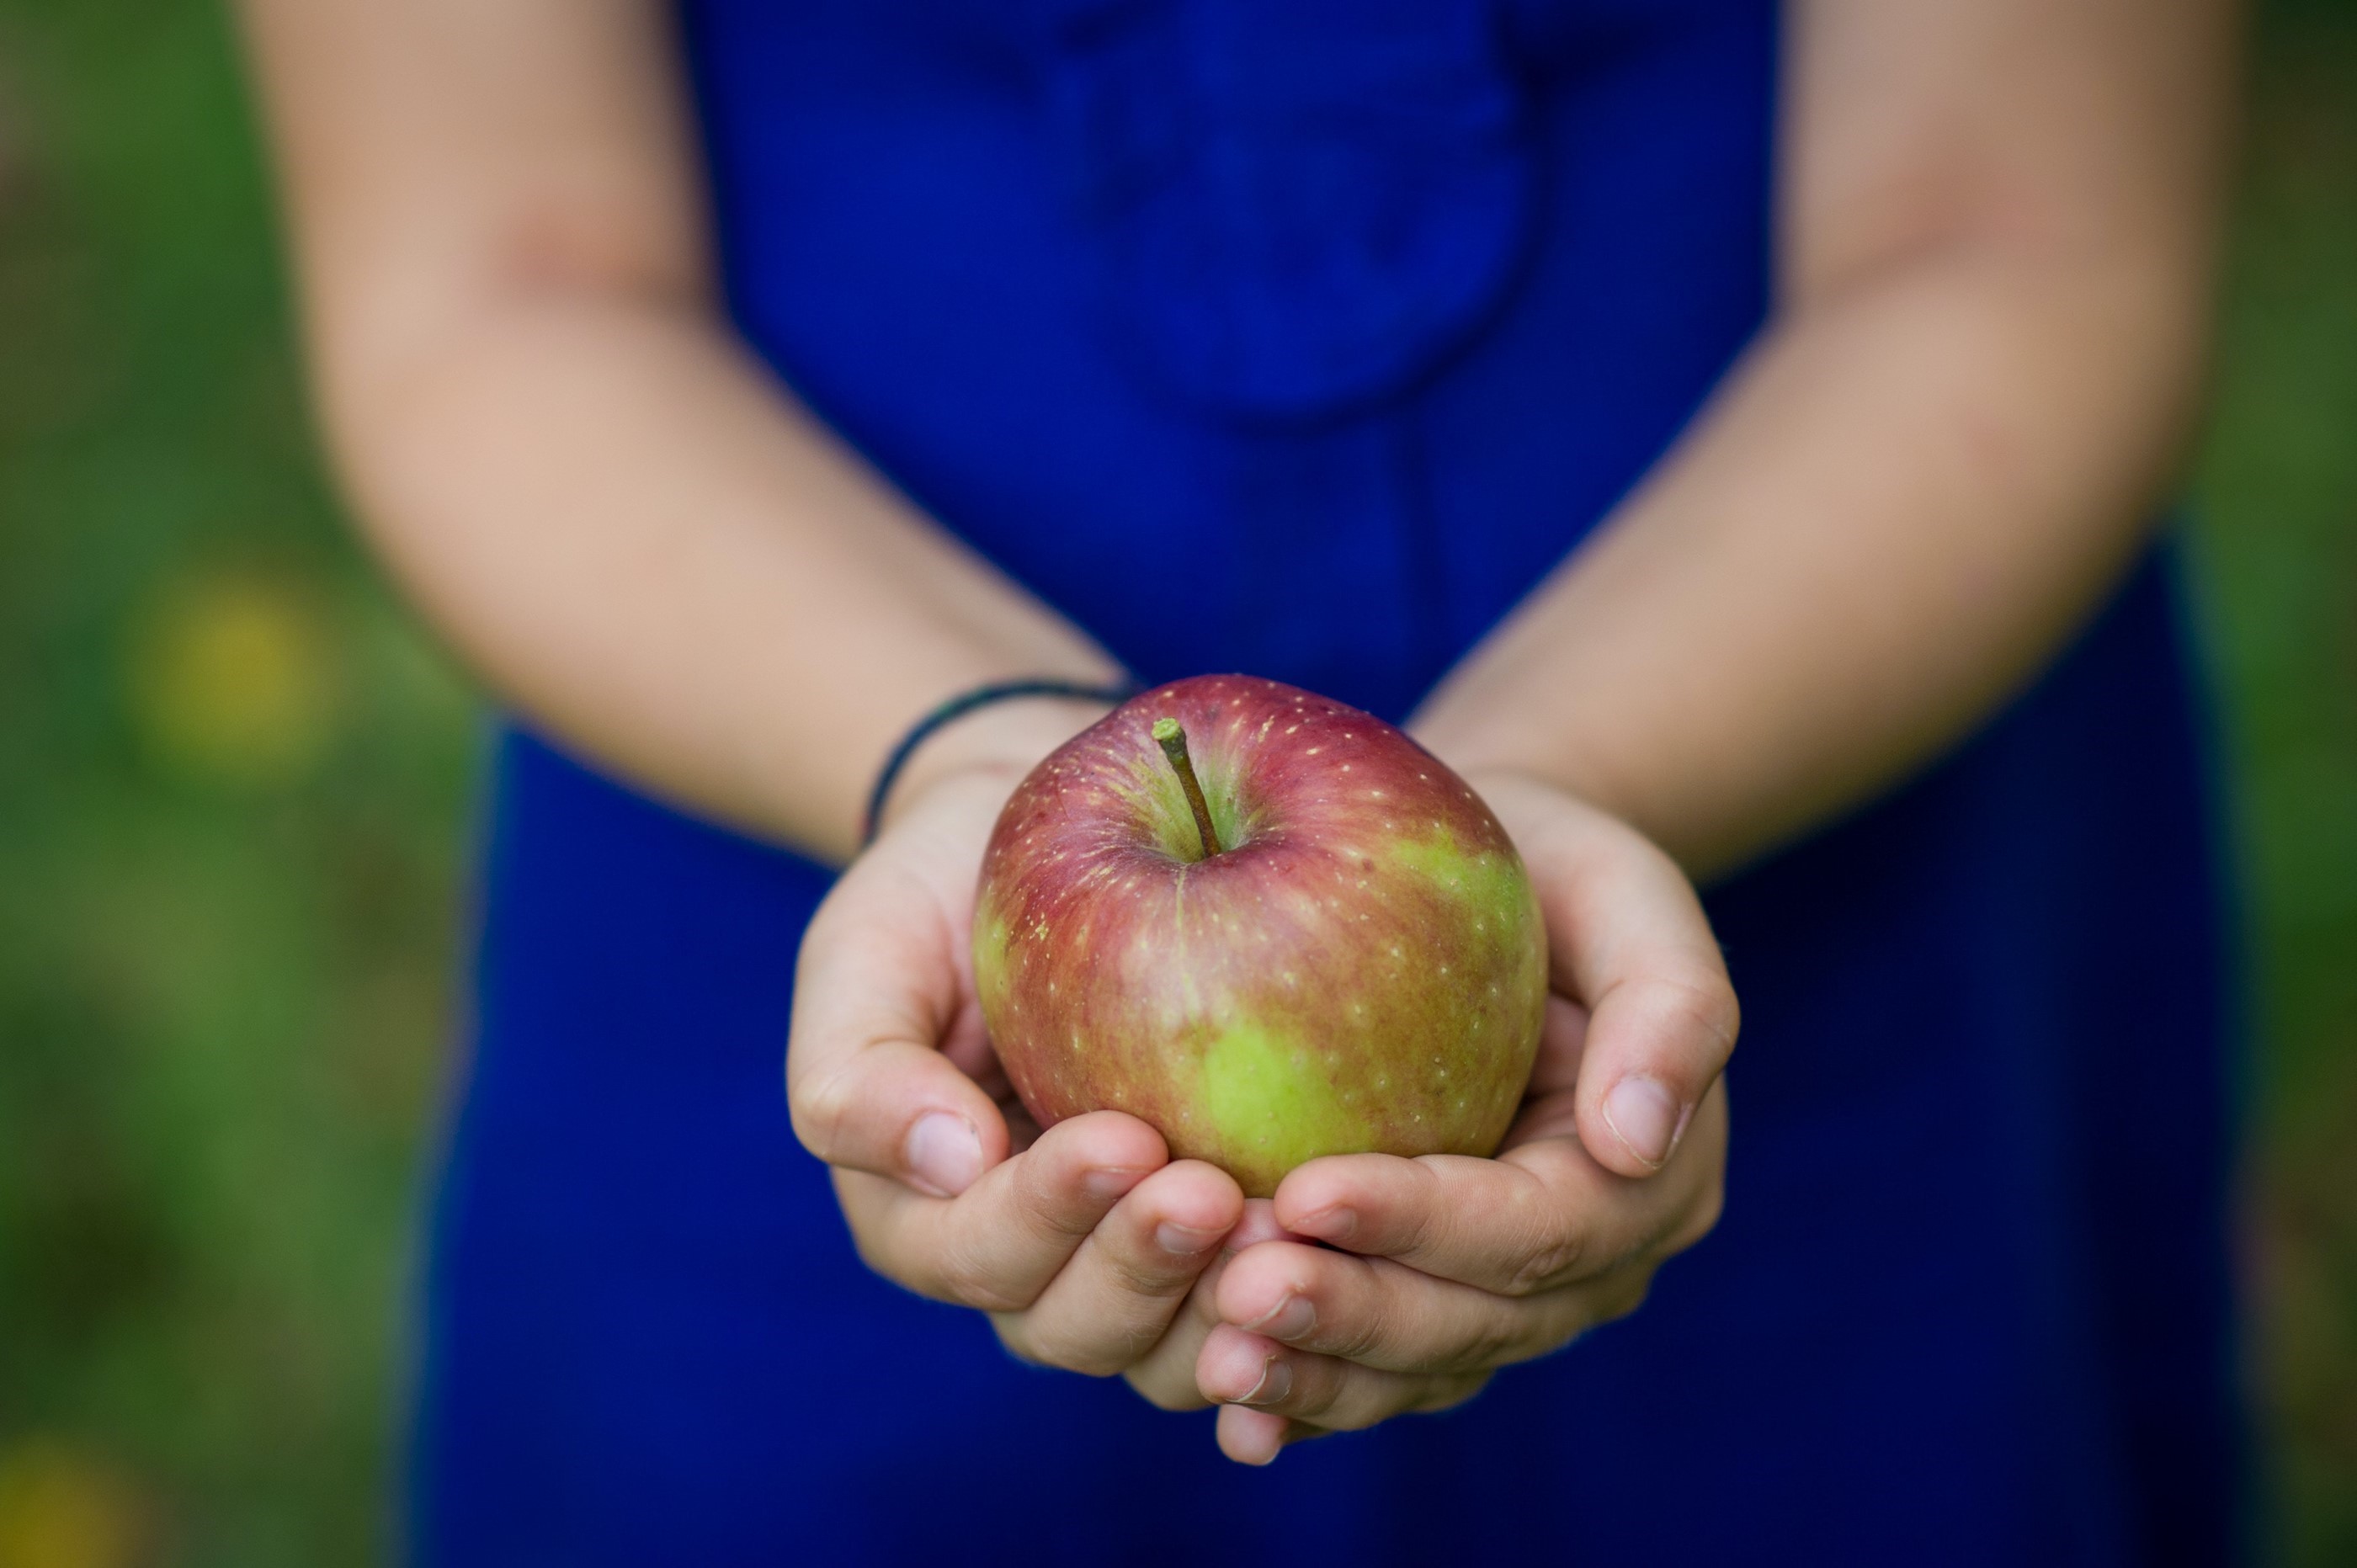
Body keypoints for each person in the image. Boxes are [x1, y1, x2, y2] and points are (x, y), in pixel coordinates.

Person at [236, 0, 2241, 1562]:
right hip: (804, 849)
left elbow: (2019, 235)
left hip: (1821, 777)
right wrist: (974, 759)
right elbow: (492, 278)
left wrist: (1542, 796)